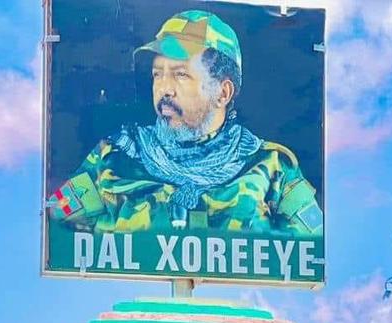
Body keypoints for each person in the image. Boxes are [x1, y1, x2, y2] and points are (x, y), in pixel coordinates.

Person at [47, 10, 323, 235]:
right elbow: (56, 226)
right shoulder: (114, 155)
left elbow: (310, 248)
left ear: (223, 93)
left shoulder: (273, 167)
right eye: (157, 74)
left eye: (180, 75)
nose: (164, 89)